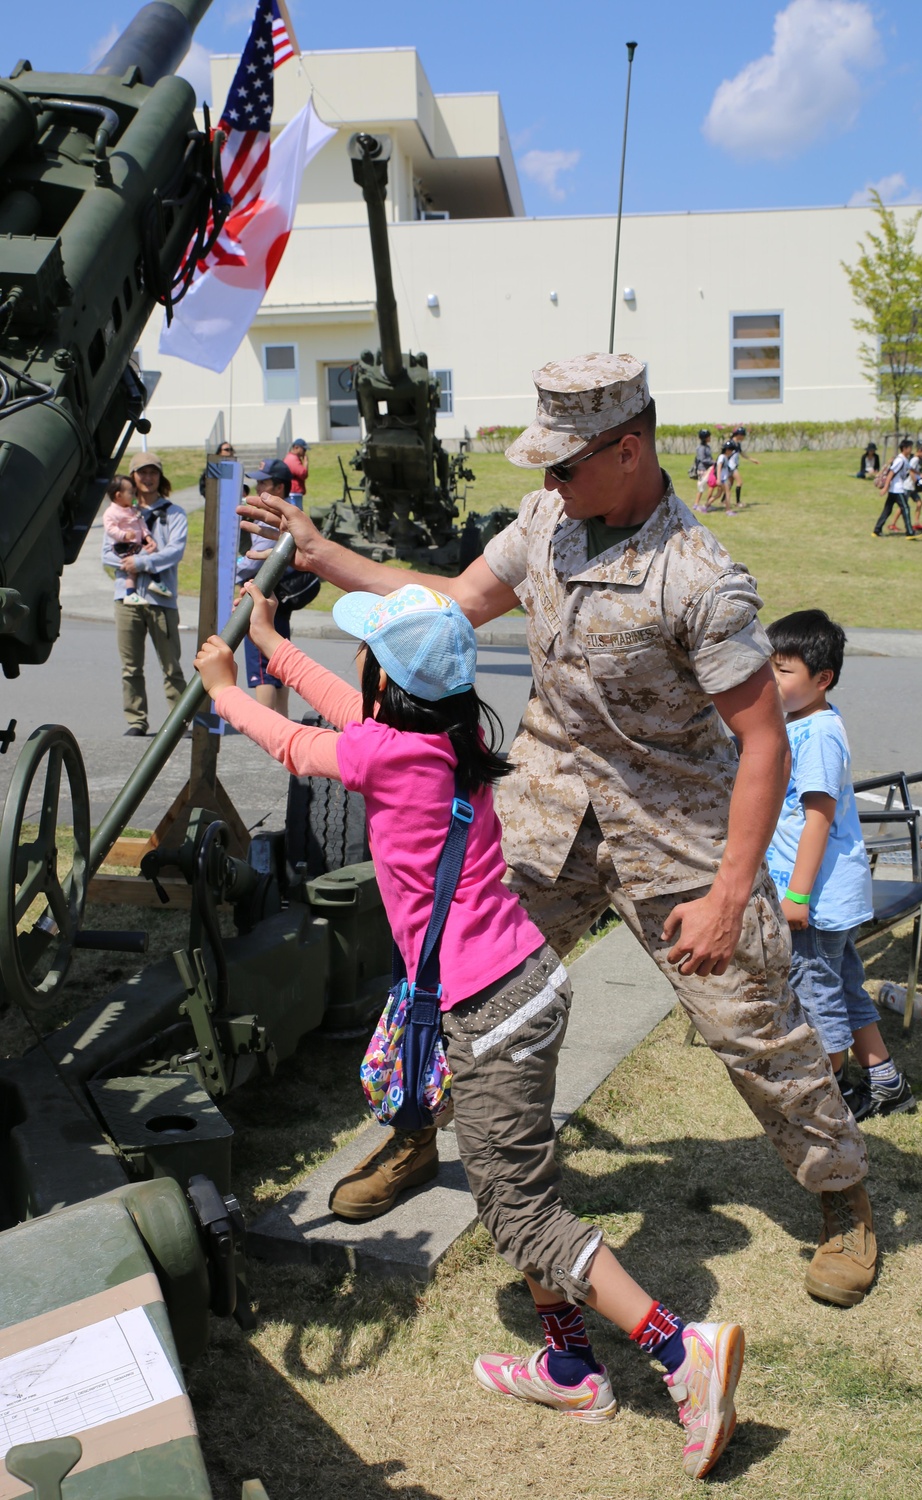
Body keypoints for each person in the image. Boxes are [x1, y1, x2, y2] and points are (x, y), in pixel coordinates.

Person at [238, 352, 876, 1311]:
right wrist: (327, 558)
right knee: (443, 971)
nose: (546, 484)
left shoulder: (702, 580)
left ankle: (843, 1197)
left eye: (564, 466)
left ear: (627, 452)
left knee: (752, 1020)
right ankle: (414, 1129)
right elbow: (454, 600)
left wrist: (730, 894)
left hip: (673, 830)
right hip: (541, 808)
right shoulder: (547, 521)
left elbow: (763, 743)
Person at [194, 581, 746, 1479]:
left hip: (490, 1008)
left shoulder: (386, 753)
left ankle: (682, 1350)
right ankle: (568, 1366)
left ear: (387, 681)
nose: (358, 668)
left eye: (365, 653)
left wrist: (226, 685)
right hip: (521, 986)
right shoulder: (450, 737)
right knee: (511, 1183)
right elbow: (342, 709)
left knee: (519, 1208)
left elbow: (298, 742)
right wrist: (268, 642)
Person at [765, 609, 914, 1122]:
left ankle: (830, 1097)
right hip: (828, 895)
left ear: (821, 678)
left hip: (817, 899)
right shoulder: (800, 723)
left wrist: (798, 895)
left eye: (784, 670)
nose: (771, 677)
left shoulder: (820, 734)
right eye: (771, 665)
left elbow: (818, 819)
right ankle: (887, 1081)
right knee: (844, 987)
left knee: (817, 995)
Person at [102, 453, 188, 737]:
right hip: (126, 600)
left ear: (160, 477)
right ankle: (136, 720)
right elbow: (106, 554)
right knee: (130, 666)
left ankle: (180, 721)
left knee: (171, 665)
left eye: (153, 472)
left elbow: (174, 552)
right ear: (132, 478)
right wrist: (128, 561)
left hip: (160, 599)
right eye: (142, 473)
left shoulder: (173, 513)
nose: (148, 478)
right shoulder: (118, 513)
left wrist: (141, 562)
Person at [237, 458, 301, 717]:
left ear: (280, 488)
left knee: (262, 664)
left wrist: (232, 569)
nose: (259, 486)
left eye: (265, 481)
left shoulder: (273, 517)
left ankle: (268, 725)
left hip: (264, 596)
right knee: (280, 654)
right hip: (283, 596)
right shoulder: (292, 511)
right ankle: (283, 720)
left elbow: (257, 558)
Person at [101, 476, 173, 605]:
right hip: (123, 546)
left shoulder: (133, 509)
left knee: (142, 561)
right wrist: (124, 535)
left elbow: (142, 525)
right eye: (131, 493)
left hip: (135, 544)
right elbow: (110, 529)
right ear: (118, 495)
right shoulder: (111, 513)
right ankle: (145, 586)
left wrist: (147, 536)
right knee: (145, 558)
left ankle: (141, 588)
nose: (134, 496)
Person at [871, 438, 917, 539]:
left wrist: (920, 475)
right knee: (905, 509)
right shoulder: (900, 460)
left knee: (887, 510)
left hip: (894, 490)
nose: (911, 449)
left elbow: (910, 469)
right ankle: (909, 532)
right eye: (910, 447)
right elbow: (891, 473)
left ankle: (876, 530)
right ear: (904, 448)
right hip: (897, 489)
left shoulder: (904, 459)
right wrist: (885, 488)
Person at [728, 425, 760, 508]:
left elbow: (742, 454)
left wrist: (752, 460)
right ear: (739, 435)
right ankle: (738, 502)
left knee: (730, 484)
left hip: (733, 466)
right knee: (739, 482)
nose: (744, 437)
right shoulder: (731, 443)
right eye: (743, 435)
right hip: (731, 466)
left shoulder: (737, 444)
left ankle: (724, 500)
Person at [692, 428, 713, 506]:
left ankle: (708, 504)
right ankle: (696, 504)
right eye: (708, 436)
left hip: (709, 469)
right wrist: (713, 462)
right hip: (702, 469)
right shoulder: (701, 448)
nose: (710, 438)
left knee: (711, 486)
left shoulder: (707, 447)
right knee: (701, 487)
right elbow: (702, 459)